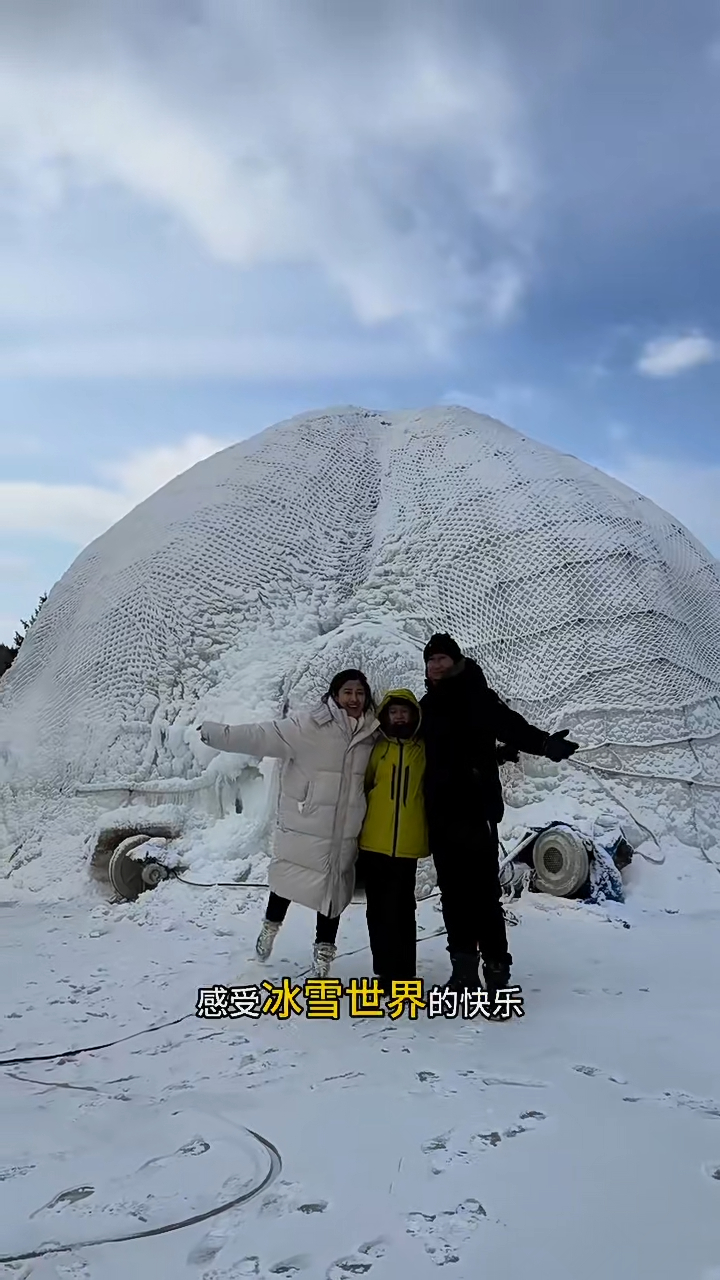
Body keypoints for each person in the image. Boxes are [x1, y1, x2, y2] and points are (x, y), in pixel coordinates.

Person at [419, 633, 578, 1004]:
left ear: (455, 661)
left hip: (476, 813)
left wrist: (544, 745)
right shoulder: (427, 705)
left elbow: (510, 725)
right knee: (453, 895)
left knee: (483, 896)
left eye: (443, 658)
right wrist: (495, 756)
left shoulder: (476, 694)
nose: (437, 665)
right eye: (431, 660)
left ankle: (496, 971)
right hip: (441, 815)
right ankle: (462, 972)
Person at [199, 669, 378, 978]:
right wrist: (217, 733)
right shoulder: (307, 727)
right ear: (335, 695)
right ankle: (269, 929)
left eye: (360, 693)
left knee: (332, 893)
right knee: (286, 881)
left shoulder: (371, 734)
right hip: (304, 823)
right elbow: (261, 735)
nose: (354, 698)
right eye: (347, 692)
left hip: (343, 833)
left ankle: (324, 953)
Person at [357, 689, 430, 993]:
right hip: (374, 841)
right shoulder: (376, 749)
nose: (399, 717)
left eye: (405, 712)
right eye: (393, 712)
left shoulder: (424, 749)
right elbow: (365, 784)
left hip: (408, 844)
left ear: (414, 715)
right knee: (377, 909)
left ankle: (405, 974)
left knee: (403, 909)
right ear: (385, 716)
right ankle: (384, 972)